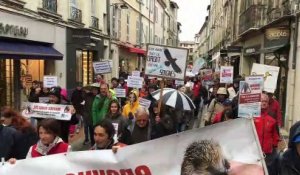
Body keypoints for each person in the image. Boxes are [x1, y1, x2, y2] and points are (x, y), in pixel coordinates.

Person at [254, 93, 279, 167]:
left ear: (268, 103)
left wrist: (274, 145)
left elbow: (275, 134)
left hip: (268, 153)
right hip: (255, 151)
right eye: (261, 101)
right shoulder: (252, 117)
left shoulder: (272, 117)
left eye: (265, 101)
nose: (264, 103)